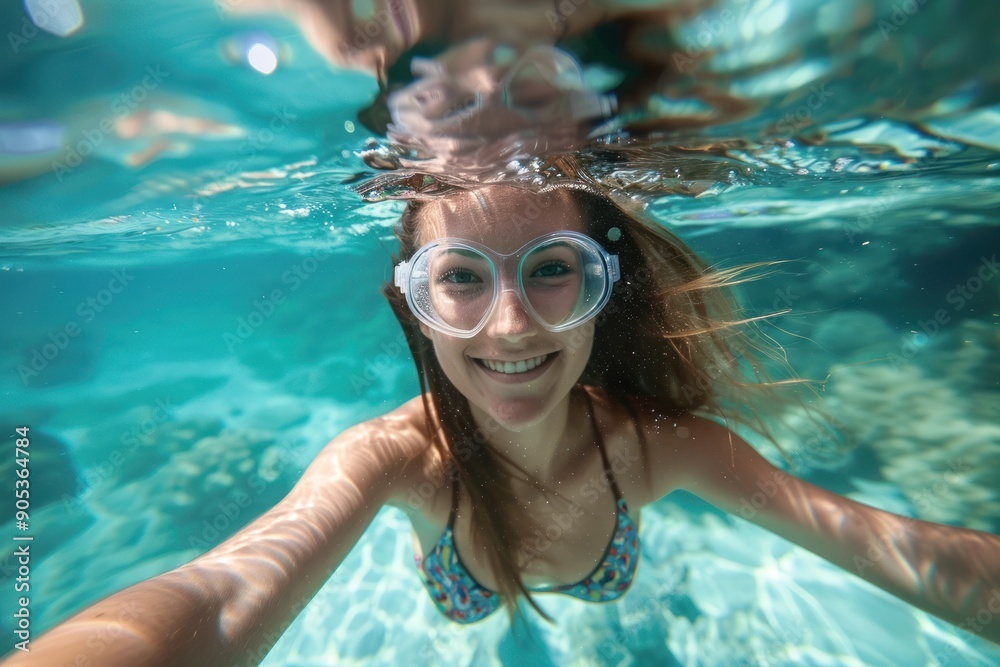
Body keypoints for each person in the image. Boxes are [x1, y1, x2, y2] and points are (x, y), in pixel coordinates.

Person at [3, 183, 999, 667]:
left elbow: (888, 550)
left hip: (607, 564)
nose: (512, 324)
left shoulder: (659, 447)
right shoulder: (390, 460)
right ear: (414, 306)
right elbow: (220, 599)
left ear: (600, 288)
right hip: (460, 587)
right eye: (461, 279)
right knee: (484, 617)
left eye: (552, 268)